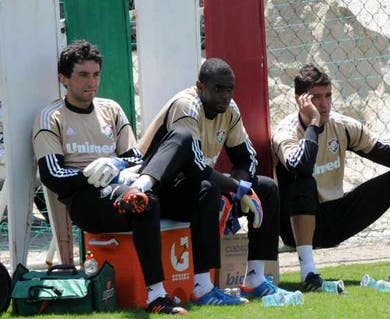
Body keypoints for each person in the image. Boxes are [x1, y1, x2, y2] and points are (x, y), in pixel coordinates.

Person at [32, 40, 189, 315]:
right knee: (145, 203)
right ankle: (157, 295)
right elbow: (51, 175)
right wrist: (91, 175)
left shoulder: (111, 109)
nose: (91, 82)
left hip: (127, 183)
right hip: (85, 201)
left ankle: (205, 284)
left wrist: (114, 164)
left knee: (184, 143)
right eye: (83, 75)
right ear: (64, 79)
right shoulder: (50, 116)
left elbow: (136, 158)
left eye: (95, 75)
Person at [271, 63, 390, 291]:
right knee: (304, 179)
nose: (324, 105)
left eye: (328, 96)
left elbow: (388, 150)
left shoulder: (341, 126)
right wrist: (314, 123)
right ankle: (309, 275)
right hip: (293, 225)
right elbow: (302, 166)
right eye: (315, 98)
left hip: (334, 218)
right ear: (299, 100)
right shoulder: (286, 132)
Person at [138, 57, 281, 303]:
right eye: (218, 89)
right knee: (208, 189)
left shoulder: (229, 110)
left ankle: (255, 278)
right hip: (161, 185)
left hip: (196, 183)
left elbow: (247, 158)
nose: (225, 96)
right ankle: (203, 287)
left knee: (267, 188)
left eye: (229, 90)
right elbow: (193, 165)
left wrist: (241, 188)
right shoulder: (187, 106)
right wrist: (235, 188)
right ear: (200, 86)